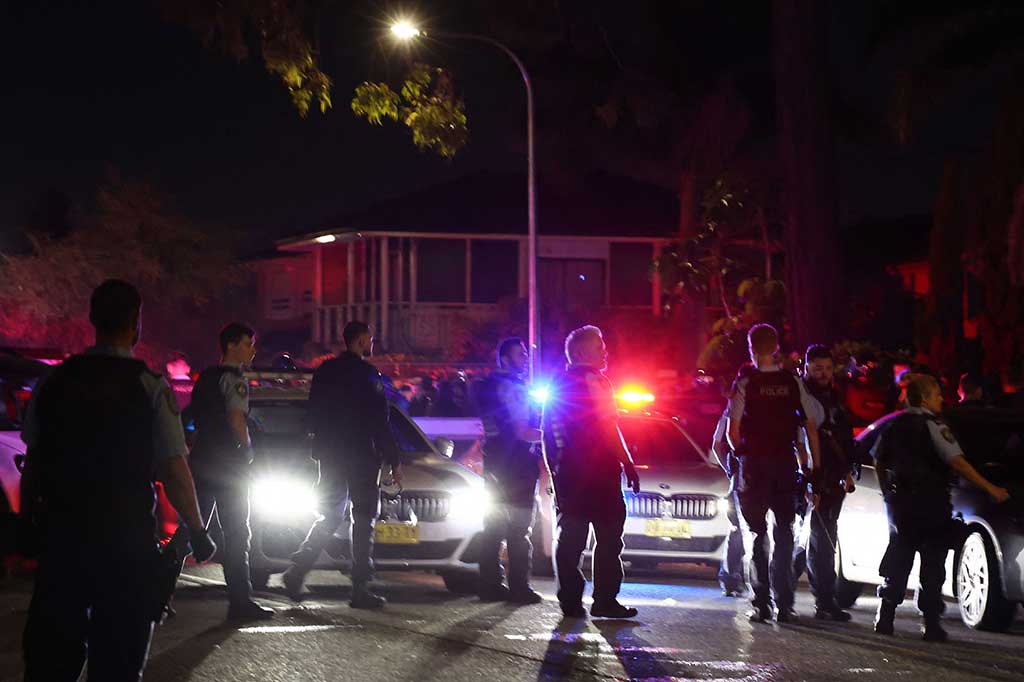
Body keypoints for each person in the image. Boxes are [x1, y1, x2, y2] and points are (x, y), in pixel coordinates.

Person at [19, 279, 216, 681]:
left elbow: (35, 462)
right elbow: (174, 468)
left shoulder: (53, 383)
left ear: (92, 318)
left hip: (63, 541)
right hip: (125, 545)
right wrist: (198, 530)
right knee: (118, 663)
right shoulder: (150, 387)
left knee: (50, 661)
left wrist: (27, 526)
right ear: (136, 323)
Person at [871, 373, 1010, 641]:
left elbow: (878, 460)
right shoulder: (934, 425)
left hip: (901, 506)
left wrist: (887, 491)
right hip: (929, 502)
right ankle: (931, 623)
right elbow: (957, 461)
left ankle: (885, 616)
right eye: (937, 395)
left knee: (898, 559)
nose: (941, 400)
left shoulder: (894, 424)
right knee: (933, 563)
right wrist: (990, 488)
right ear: (924, 398)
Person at [283, 321, 402, 609]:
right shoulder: (367, 374)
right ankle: (360, 588)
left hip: (331, 455)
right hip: (361, 454)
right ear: (360, 341)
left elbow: (312, 413)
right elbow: (378, 419)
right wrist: (393, 458)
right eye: (370, 339)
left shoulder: (326, 371)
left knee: (330, 515)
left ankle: (298, 570)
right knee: (363, 519)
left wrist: (317, 449)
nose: (372, 344)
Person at [542, 325, 641, 619]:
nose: (605, 351)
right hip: (600, 474)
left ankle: (570, 601)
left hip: (570, 475)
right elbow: (609, 427)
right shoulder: (598, 382)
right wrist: (627, 462)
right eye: (600, 347)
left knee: (570, 540)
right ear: (584, 352)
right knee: (609, 539)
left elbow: (549, 436)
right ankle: (605, 600)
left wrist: (555, 474)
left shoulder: (555, 385)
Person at [726, 324, 821, 624]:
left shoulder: (744, 383)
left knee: (757, 535)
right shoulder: (792, 382)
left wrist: (742, 454)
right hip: (783, 465)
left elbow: (732, 432)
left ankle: (761, 603)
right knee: (783, 532)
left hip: (755, 467)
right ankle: (785, 603)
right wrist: (812, 467)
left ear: (752, 349)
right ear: (776, 347)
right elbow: (810, 427)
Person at [190, 323, 275, 621]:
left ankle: (155, 595)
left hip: (202, 464)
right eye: (248, 343)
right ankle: (240, 602)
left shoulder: (204, 379)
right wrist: (247, 450)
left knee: (190, 532)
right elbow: (237, 419)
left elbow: (194, 421)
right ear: (230, 345)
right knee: (238, 534)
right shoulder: (235, 380)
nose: (253, 349)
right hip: (229, 469)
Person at [790, 345, 857, 621]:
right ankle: (792, 596)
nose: (823, 373)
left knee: (820, 540)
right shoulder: (801, 398)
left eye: (828, 368)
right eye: (817, 368)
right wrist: (807, 478)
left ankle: (819, 601)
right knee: (809, 540)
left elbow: (844, 437)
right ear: (806, 368)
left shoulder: (836, 397)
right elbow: (799, 441)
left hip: (832, 478)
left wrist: (848, 471)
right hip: (810, 477)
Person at [475, 337, 544, 604]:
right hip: (517, 468)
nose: (525, 358)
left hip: (495, 464)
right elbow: (523, 431)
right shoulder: (513, 388)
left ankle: (489, 584)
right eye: (520, 354)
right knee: (519, 529)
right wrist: (551, 435)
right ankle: (519, 587)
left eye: (526, 353)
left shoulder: (489, 386)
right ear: (505, 358)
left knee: (492, 527)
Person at [710, 407, 745, 597]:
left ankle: (731, 579)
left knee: (737, 529)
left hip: (739, 478)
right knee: (739, 529)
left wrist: (729, 470)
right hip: (748, 477)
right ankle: (733, 578)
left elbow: (716, 444)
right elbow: (716, 444)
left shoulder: (732, 410)